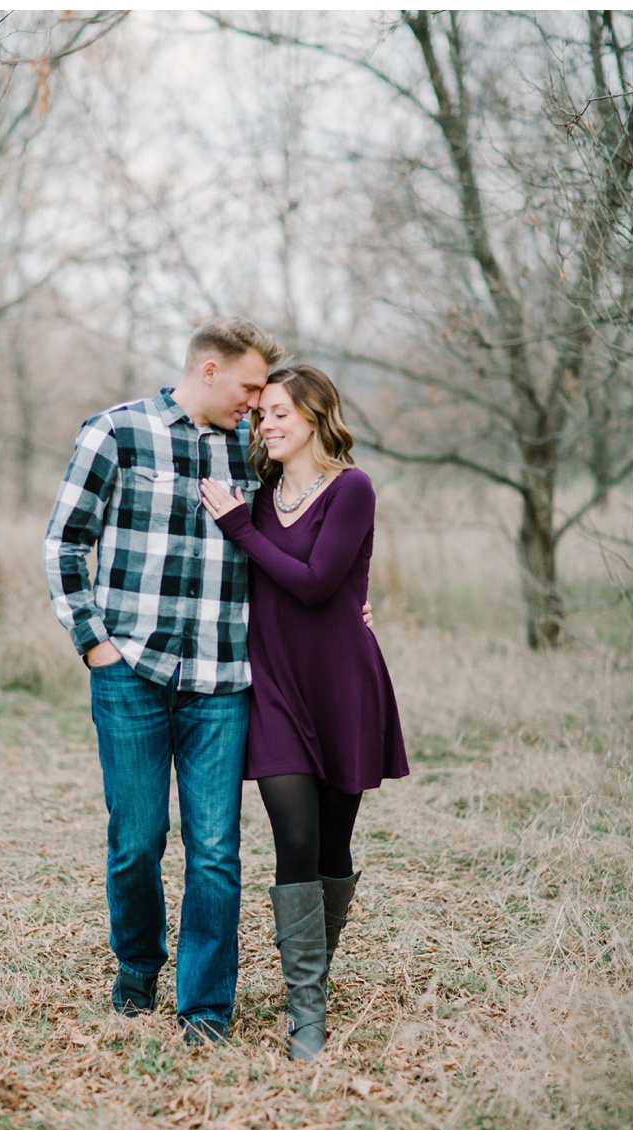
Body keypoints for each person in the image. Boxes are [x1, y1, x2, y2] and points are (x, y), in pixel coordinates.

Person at [44, 316, 284, 1046]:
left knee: (215, 849)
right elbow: (64, 544)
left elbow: (299, 532)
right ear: (208, 369)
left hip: (223, 679)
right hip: (131, 675)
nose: (256, 401)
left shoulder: (255, 447)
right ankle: (138, 970)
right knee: (137, 841)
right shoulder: (117, 433)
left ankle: (206, 1009)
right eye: (248, 386)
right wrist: (94, 646)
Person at [201, 363, 409, 1061]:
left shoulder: (352, 489)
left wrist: (238, 528)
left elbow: (319, 583)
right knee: (293, 839)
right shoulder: (257, 500)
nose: (268, 425)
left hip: (344, 684)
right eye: (263, 415)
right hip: (277, 690)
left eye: (282, 412)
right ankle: (306, 1011)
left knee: (330, 847)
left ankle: (315, 971)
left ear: (318, 416)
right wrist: (240, 523)